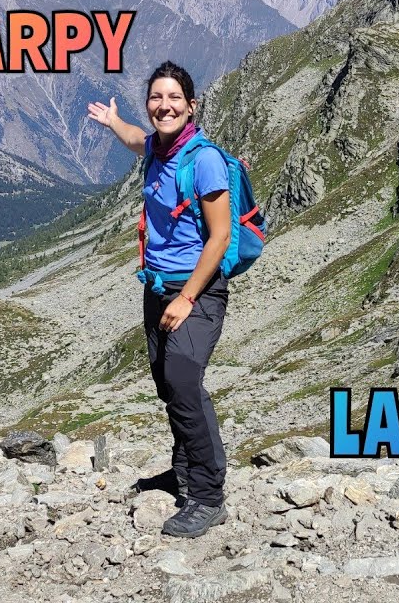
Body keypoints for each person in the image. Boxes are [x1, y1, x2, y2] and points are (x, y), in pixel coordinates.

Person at [87, 61, 231, 538]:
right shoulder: (154, 145)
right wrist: (112, 123)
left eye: (174, 98)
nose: (164, 106)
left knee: (184, 381)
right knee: (168, 387)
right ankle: (185, 472)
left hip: (197, 292)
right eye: (156, 98)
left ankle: (209, 495)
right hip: (156, 289)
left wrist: (188, 297)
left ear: (191, 106)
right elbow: (134, 138)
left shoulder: (203, 158)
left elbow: (220, 237)